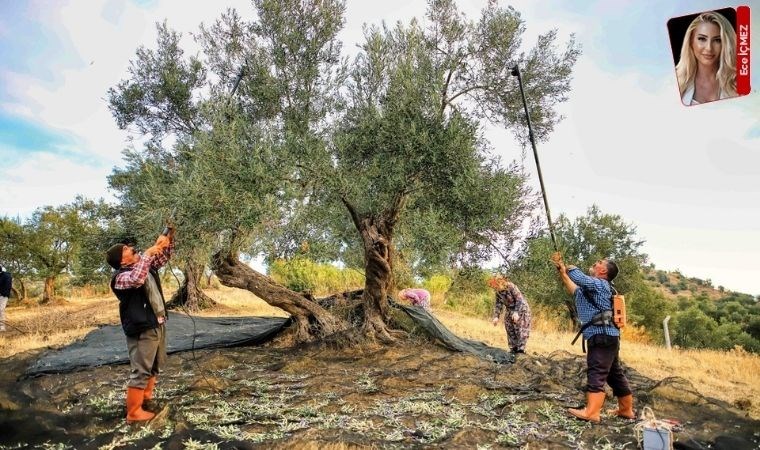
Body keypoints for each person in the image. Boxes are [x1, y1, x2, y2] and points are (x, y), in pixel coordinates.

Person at [551, 252, 634, 423]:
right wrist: (562, 271)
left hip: (601, 337)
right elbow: (573, 286)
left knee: (596, 371)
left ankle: (592, 413)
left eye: (599, 263)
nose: (595, 263)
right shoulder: (591, 290)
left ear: (604, 271)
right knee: (614, 374)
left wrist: (569, 267)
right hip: (608, 337)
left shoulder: (601, 284)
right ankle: (626, 410)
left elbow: (580, 278)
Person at [106, 226, 175, 424]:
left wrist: (167, 238)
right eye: (126, 248)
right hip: (142, 328)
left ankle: (146, 400)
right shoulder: (120, 277)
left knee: (154, 366)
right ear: (122, 260)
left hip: (157, 324)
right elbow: (136, 279)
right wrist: (147, 252)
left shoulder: (145, 265)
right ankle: (133, 413)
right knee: (141, 370)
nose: (130, 247)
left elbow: (162, 257)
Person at [675, 11, 737, 106]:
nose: (709, 48)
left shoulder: (739, 82)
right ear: (691, 41)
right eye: (702, 39)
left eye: (717, 40)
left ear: (726, 44)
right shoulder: (674, 81)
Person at [488, 276, 531, 355]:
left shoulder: (511, 286)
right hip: (510, 310)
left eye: (496, 286)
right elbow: (498, 304)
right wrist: (496, 317)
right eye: (494, 287)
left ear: (501, 283)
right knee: (509, 327)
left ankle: (520, 350)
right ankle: (513, 349)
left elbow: (519, 299)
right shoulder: (498, 291)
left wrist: (516, 312)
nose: (495, 288)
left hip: (521, 309)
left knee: (520, 330)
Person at [0, 265, 11, 332]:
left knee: (1, 310)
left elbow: (8, 286)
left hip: (3, 296)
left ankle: (2, 326)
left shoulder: (6, 276)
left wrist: (3, 294)